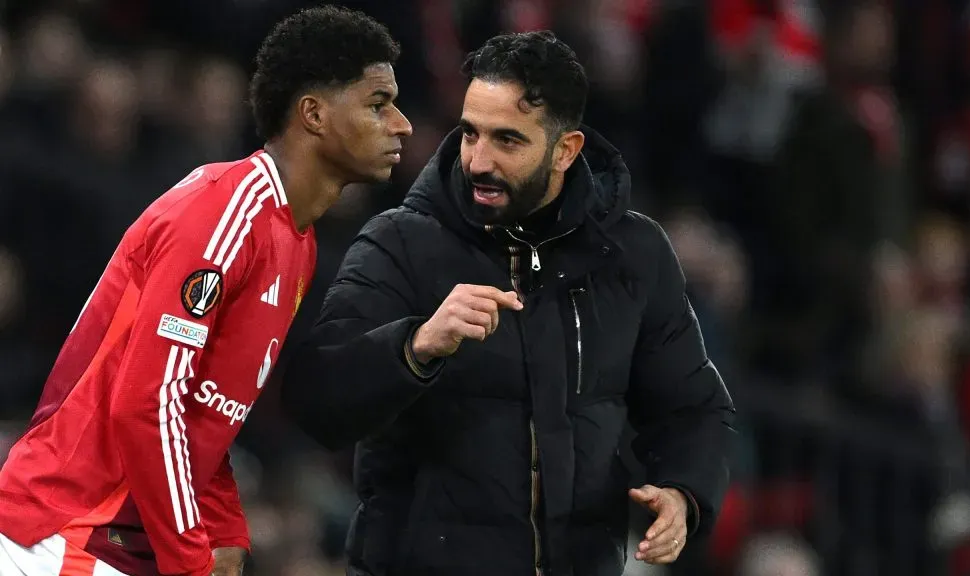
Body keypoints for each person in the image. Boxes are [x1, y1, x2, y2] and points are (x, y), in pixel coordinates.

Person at [284, 30, 736, 576]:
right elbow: (316, 401)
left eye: (508, 141)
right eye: (470, 134)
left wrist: (684, 493)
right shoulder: (399, 244)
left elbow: (693, 408)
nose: (478, 160)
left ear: (566, 151)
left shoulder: (632, 255)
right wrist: (415, 345)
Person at [0, 6, 412, 576]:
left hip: (123, 542)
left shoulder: (297, 243)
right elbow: (149, 404)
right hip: (62, 531)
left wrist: (223, 530)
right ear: (314, 115)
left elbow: (205, 413)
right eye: (377, 103)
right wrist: (193, 560)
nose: (402, 124)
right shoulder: (225, 211)